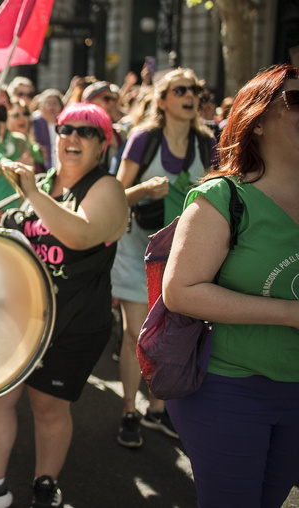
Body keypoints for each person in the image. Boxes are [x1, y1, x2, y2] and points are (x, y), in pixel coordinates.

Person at [0, 103, 128, 508]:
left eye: (86, 131)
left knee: (47, 407)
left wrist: (32, 193)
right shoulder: (41, 182)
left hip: (73, 322)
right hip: (19, 317)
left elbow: (80, 235)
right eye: (66, 129)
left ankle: (46, 484)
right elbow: (11, 227)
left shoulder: (106, 188)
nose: (73, 137)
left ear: (102, 144)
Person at [162, 64, 299, 508]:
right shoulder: (224, 197)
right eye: (296, 101)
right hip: (229, 388)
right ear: (257, 120)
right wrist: (290, 314)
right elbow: (180, 291)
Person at [111, 68, 216, 449]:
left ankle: (157, 409)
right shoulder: (143, 139)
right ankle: (129, 409)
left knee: (171, 336)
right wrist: (144, 190)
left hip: (184, 259)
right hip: (137, 254)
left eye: (195, 90)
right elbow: (114, 196)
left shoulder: (207, 143)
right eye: (180, 90)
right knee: (135, 335)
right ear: (161, 99)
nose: (190, 96)